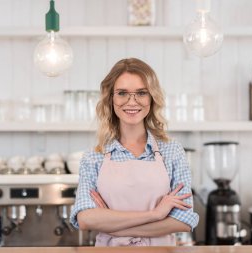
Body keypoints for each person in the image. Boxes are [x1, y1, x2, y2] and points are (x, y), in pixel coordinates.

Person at [69, 58, 199, 246]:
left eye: (141, 93)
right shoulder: (94, 156)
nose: (132, 101)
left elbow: (183, 220)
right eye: (122, 93)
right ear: (111, 98)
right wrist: (155, 214)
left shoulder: (172, 151)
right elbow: (85, 219)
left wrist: (110, 223)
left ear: (151, 98)